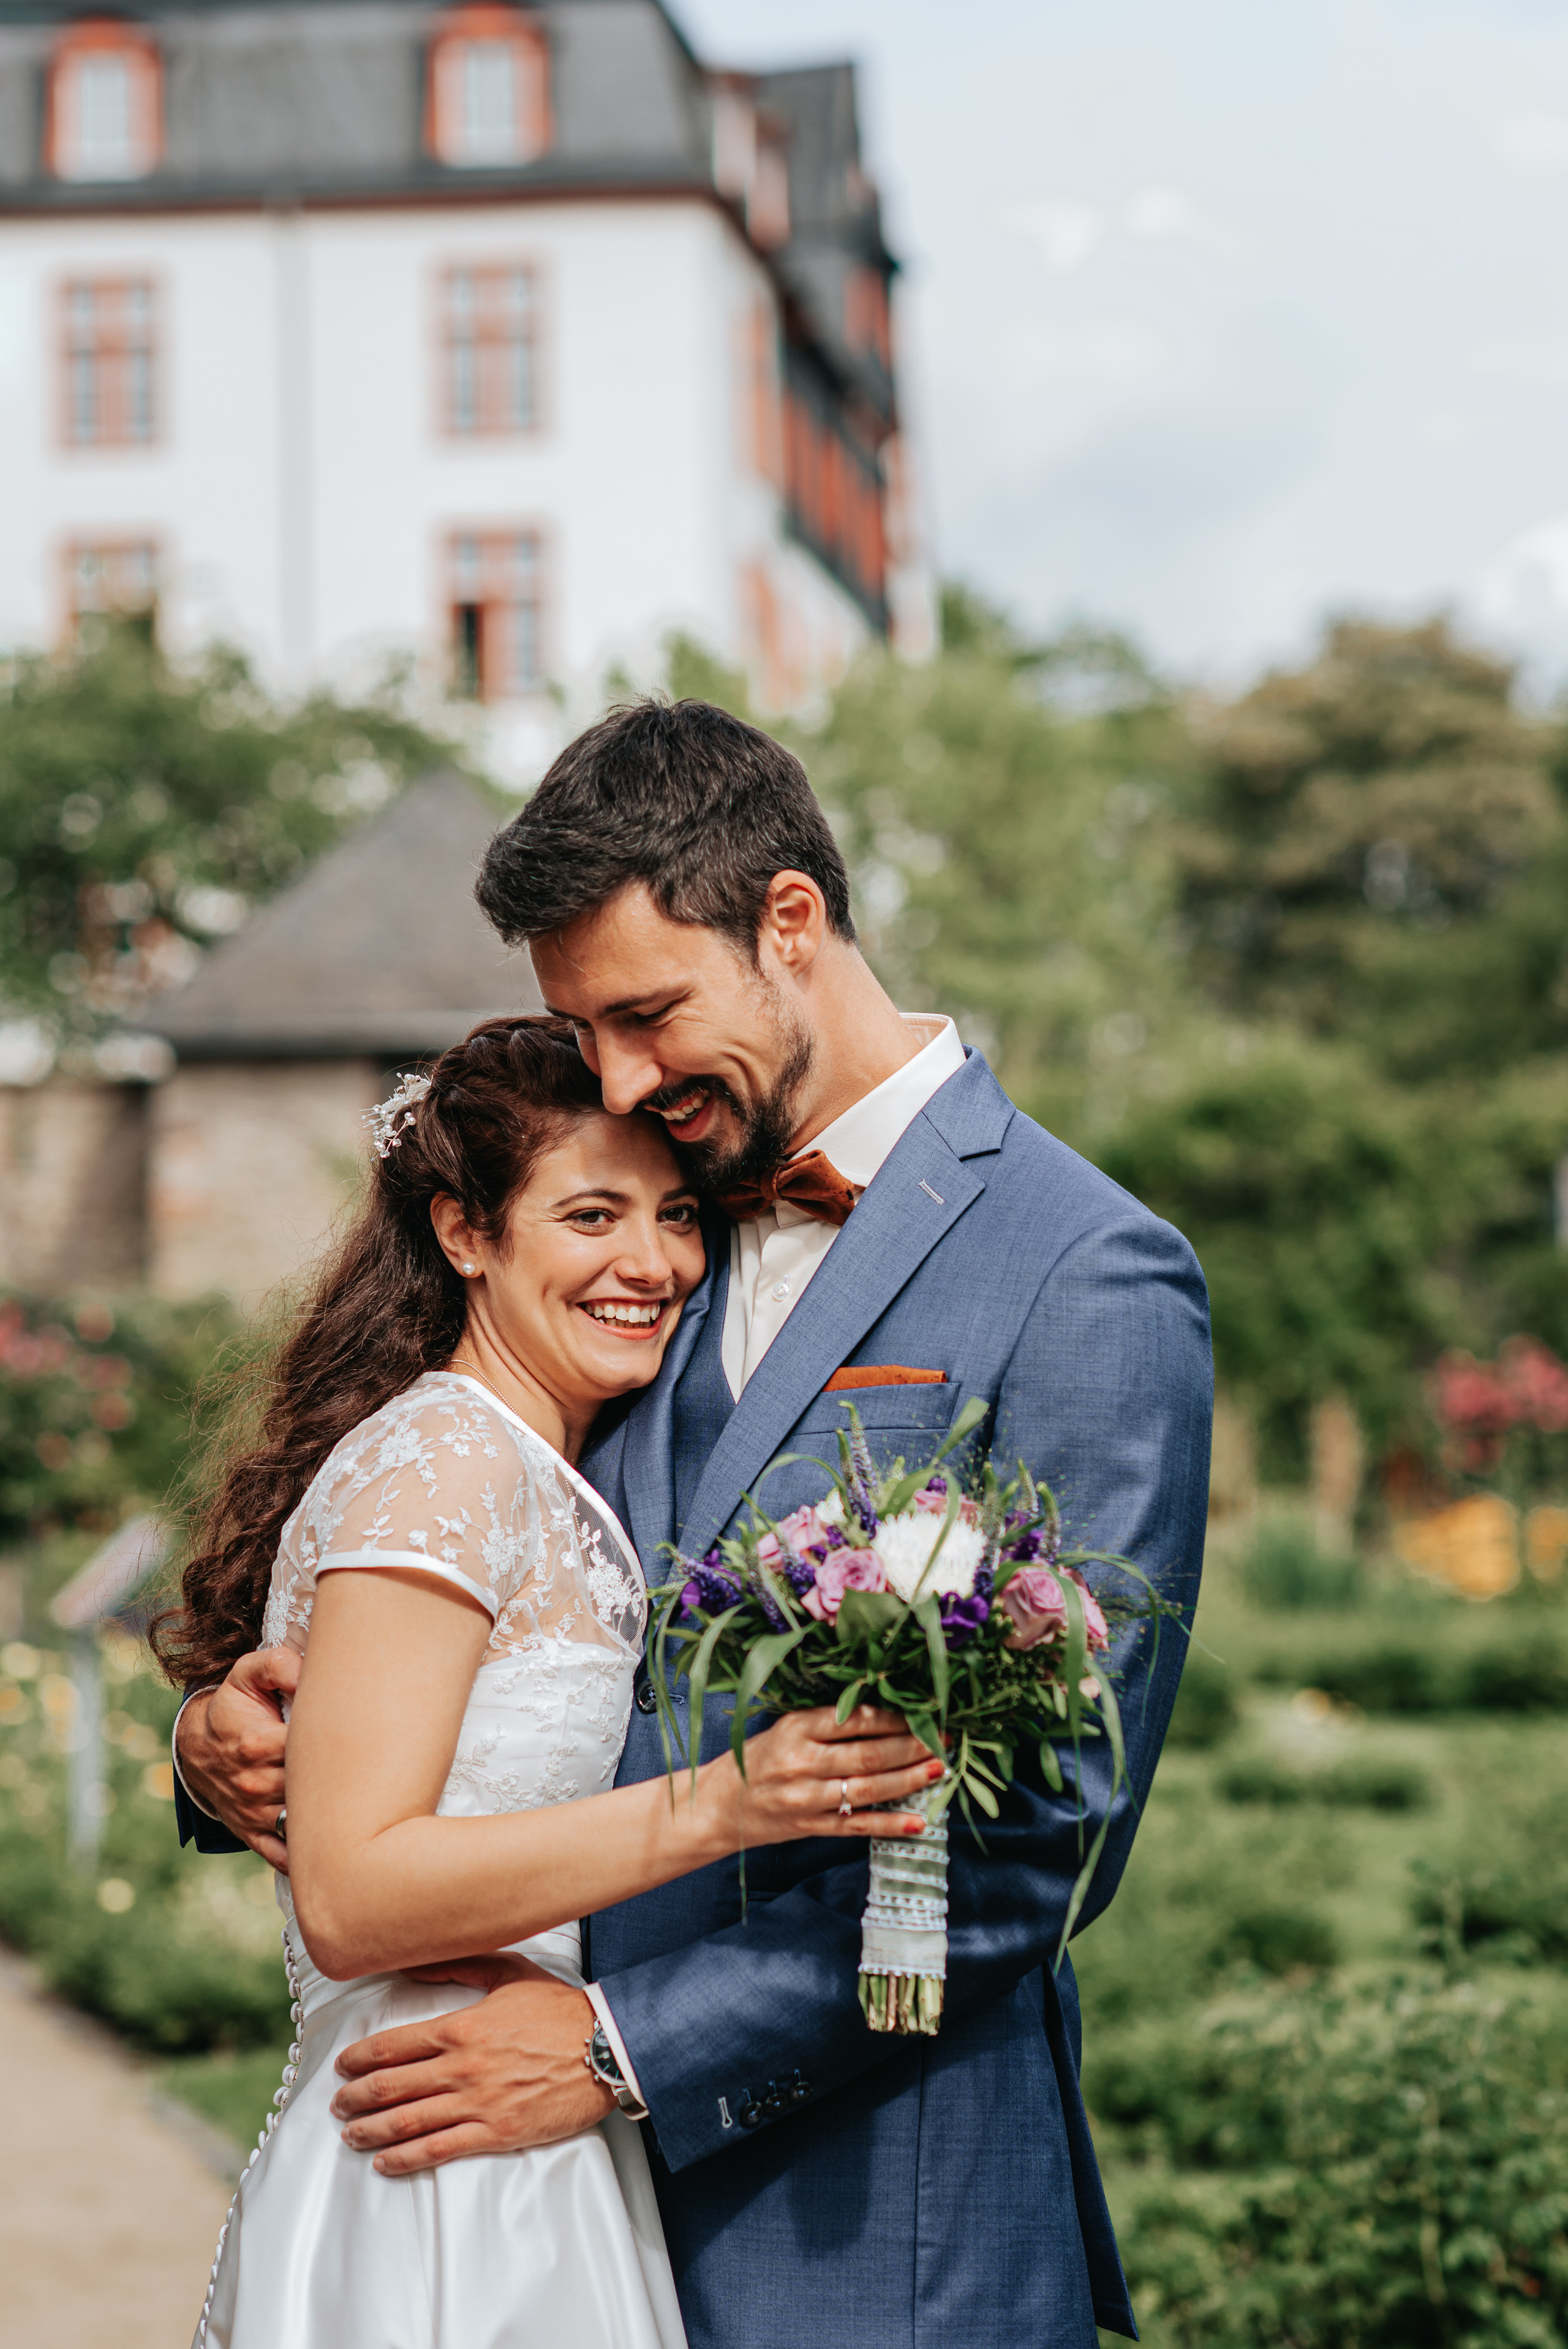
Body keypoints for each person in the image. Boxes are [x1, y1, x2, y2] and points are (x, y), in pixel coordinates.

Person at [175, 700, 1213, 2349]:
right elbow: (477, 1566)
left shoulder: (1088, 1271)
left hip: (876, 2227)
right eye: (591, 1032)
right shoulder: (648, 1212)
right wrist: (236, 1735)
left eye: (649, 1013)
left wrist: (617, 2049)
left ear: (789, 919)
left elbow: (1043, 1839)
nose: (627, 1076)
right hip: (533, 2226)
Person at [155, 1015, 937, 2349]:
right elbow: (352, 1894)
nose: (650, 1263)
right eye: (590, 1215)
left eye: (678, 1216)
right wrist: (728, 1804)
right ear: (466, 1233)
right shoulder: (449, 1468)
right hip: (439, 2159)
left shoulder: (548, 1463)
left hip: (530, 2121)